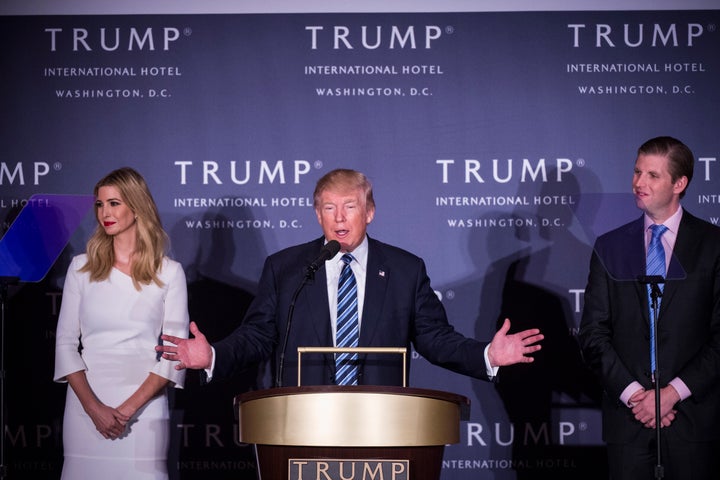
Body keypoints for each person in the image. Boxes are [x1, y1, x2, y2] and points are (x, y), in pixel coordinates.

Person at [157, 168, 542, 388]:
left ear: (369, 212)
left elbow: (434, 339)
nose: (339, 218)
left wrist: (487, 355)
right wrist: (214, 355)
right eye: (329, 208)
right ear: (317, 214)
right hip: (302, 418)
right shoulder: (286, 268)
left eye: (350, 207)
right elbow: (258, 336)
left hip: (382, 420)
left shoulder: (405, 270)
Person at [578, 136, 720, 480]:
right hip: (629, 422)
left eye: (653, 175)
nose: (639, 183)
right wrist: (636, 397)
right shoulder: (610, 246)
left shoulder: (713, 246)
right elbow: (593, 334)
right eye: (637, 172)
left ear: (679, 183)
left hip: (692, 422)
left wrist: (672, 393)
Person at [54, 167, 190, 480]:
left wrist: (125, 411)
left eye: (114, 203)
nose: (105, 213)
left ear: (137, 206)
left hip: (144, 409)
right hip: (85, 407)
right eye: (100, 205)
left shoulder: (169, 272)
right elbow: (64, 344)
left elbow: (174, 353)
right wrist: (93, 409)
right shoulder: (81, 268)